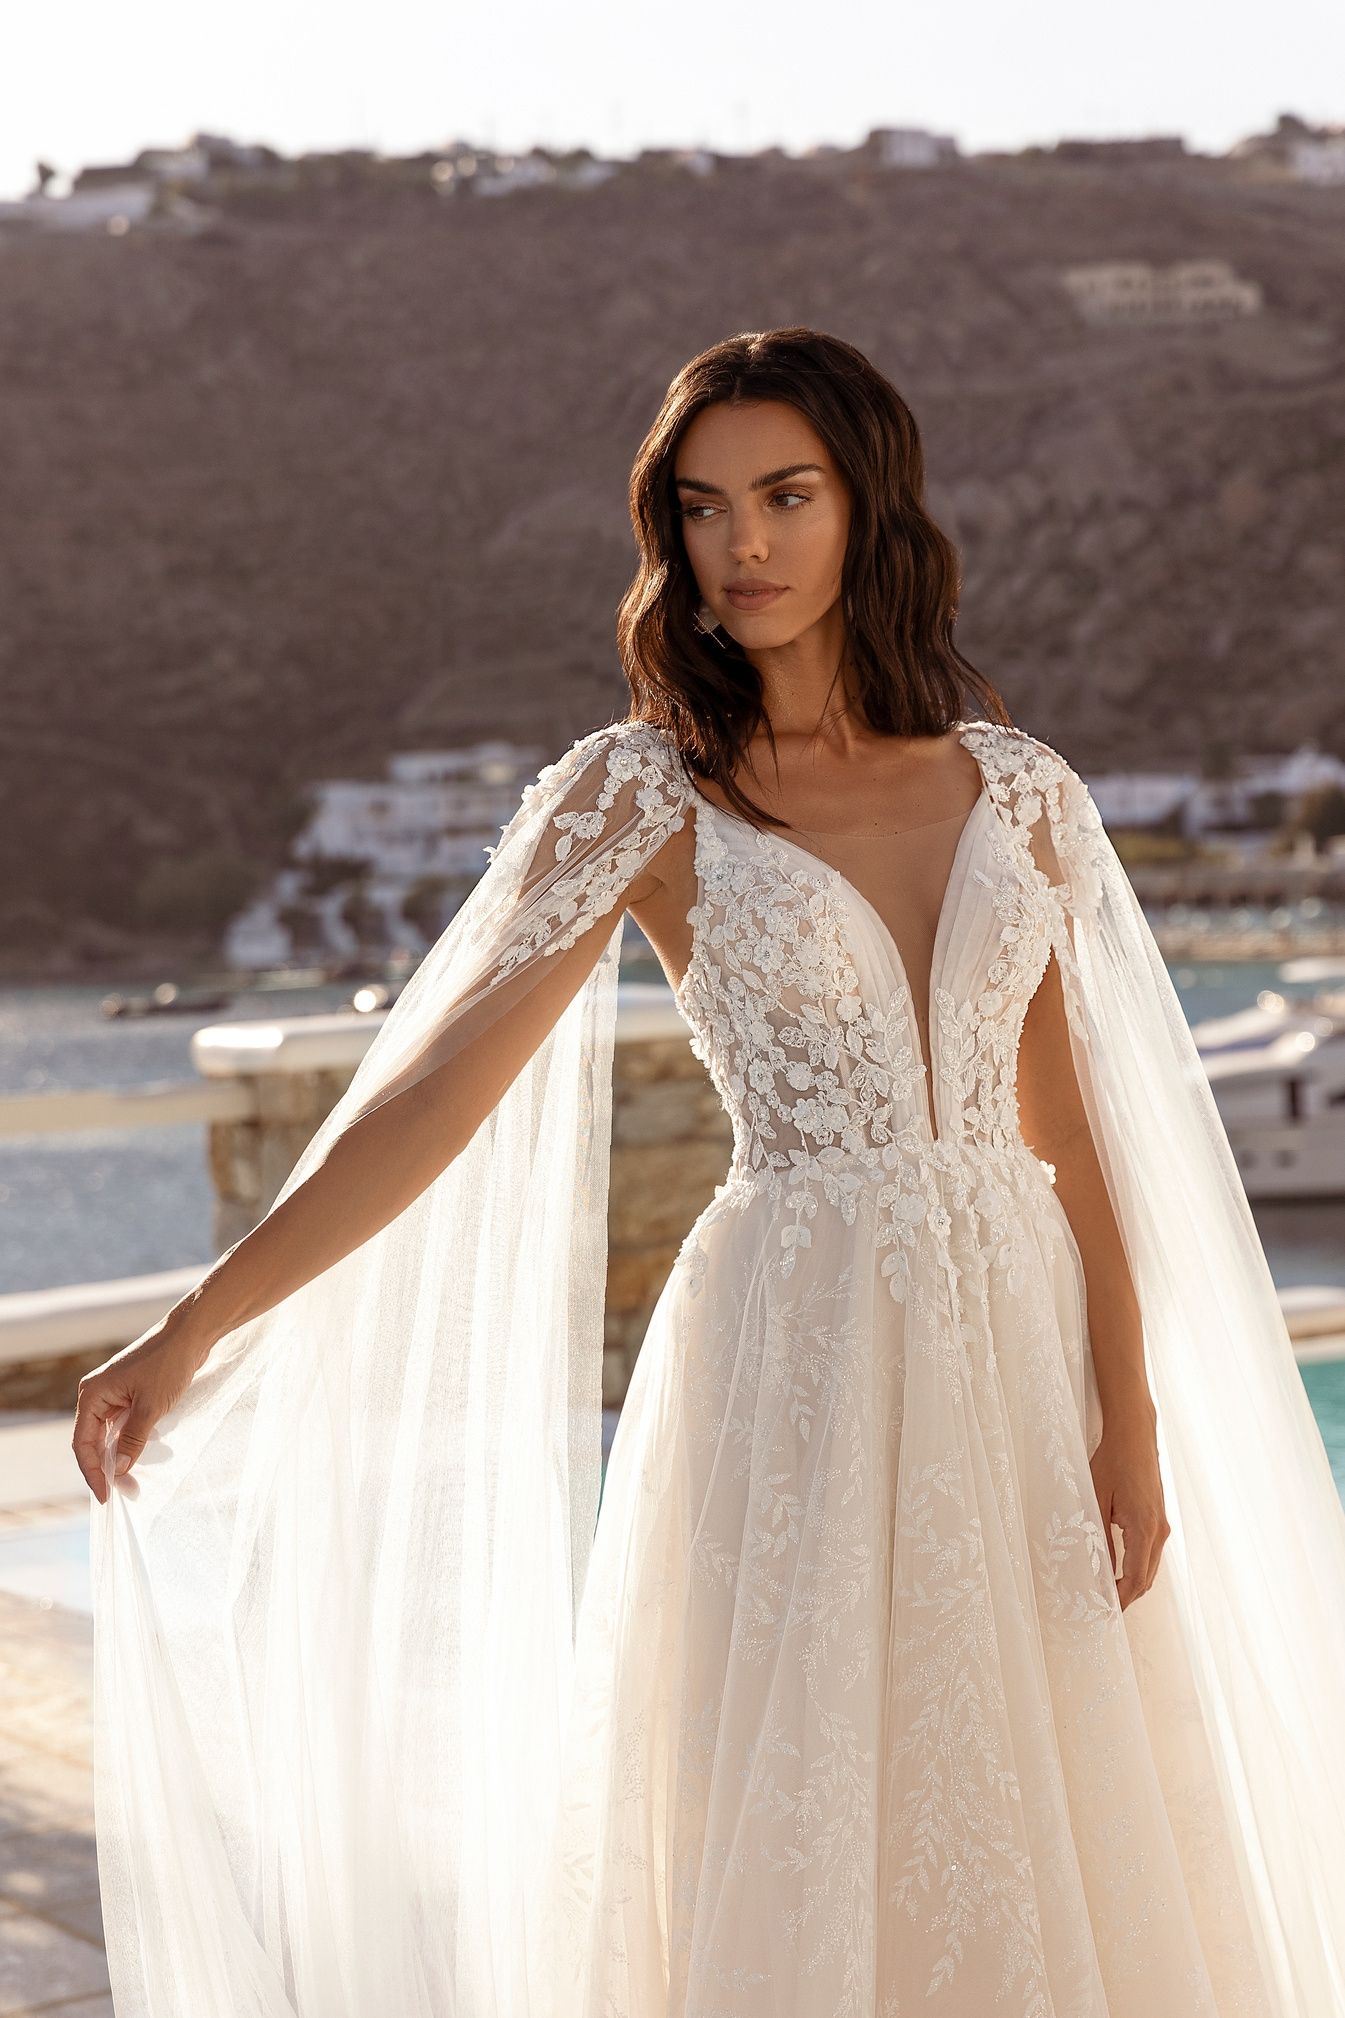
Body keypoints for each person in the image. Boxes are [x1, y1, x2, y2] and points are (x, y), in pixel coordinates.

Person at [75, 328, 1345, 2017]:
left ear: (866, 508)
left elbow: (1069, 1136)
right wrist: (196, 1325)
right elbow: (433, 1099)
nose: (739, 545)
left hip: (1016, 1368)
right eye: (701, 508)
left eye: (784, 496)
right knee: (797, 1815)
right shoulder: (643, 793)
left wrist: (1133, 1419)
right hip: (793, 1361)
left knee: (1054, 1820)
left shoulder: (1021, 794)